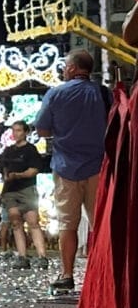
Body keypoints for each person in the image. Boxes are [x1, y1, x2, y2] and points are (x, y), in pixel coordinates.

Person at [35, 48, 109, 292]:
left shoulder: (55, 94)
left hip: (66, 168)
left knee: (68, 224)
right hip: (99, 167)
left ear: (73, 68)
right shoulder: (103, 93)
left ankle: (67, 275)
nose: (64, 69)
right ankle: (103, 275)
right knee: (100, 224)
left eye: (66, 65)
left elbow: (42, 129)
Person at [0, 119, 49, 271]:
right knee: (15, 221)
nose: (16, 133)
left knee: (32, 221)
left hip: (26, 188)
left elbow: (34, 169)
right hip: (10, 190)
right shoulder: (8, 151)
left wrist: (18, 175)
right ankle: (22, 256)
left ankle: (42, 256)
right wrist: (7, 176)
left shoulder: (30, 150)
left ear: (25, 132)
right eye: (13, 130)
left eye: (19, 130)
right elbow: (2, 168)